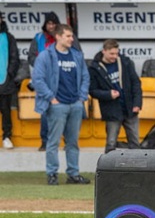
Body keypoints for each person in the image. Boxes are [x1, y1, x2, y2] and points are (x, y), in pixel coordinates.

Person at [31, 24, 90, 186]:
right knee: (53, 142)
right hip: (57, 105)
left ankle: (73, 174)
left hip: (75, 105)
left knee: (73, 142)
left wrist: (81, 98)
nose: (72, 39)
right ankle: (52, 174)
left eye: (72, 36)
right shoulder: (45, 56)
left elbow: (85, 77)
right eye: (68, 36)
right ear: (58, 36)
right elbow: (37, 79)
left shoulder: (77, 55)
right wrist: (51, 98)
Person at [88, 39, 142, 153]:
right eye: (111, 54)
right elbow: (92, 91)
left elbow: (136, 83)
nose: (114, 56)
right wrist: (108, 95)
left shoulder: (125, 62)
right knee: (111, 143)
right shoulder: (94, 68)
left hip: (130, 108)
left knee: (135, 142)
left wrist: (137, 103)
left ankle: (138, 167)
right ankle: (108, 168)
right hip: (111, 110)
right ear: (104, 51)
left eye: (116, 53)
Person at [0, 13, 20, 149]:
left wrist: (9, 74)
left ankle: (7, 136)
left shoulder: (9, 37)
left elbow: (15, 58)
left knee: (5, 110)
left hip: (4, 81)